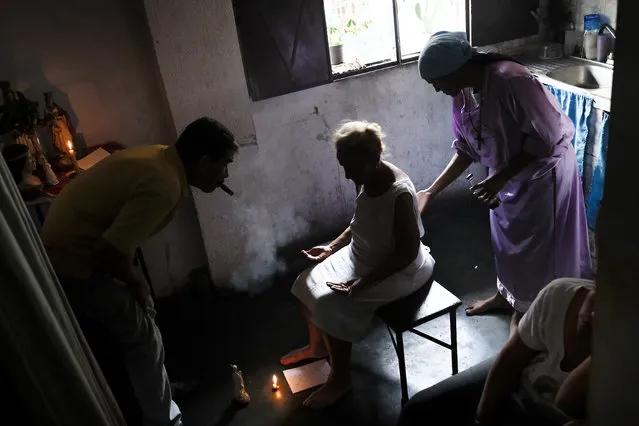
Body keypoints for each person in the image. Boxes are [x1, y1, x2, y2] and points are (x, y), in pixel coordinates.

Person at [40, 117, 238, 426]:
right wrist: (138, 283)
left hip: (69, 245)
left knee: (140, 325)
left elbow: (117, 243)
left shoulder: (160, 157)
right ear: (202, 162)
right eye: (224, 164)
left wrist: (134, 280)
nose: (226, 174)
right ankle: (163, 418)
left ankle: (156, 392)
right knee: (145, 337)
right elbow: (109, 252)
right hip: (72, 258)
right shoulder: (165, 185)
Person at [415, 31, 592, 327]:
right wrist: (431, 192)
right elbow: (466, 149)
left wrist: (500, 178)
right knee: (506, 243)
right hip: (503, 178)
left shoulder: (511, 81)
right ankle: (507, 296)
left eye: (437, 82)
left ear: (456, 70)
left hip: (543, 177)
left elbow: (545, 141)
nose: (436, 89)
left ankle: (534, 312)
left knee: (538, 249)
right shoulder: (463, 93)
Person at [280, 121, 436, 408]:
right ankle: (317, 348)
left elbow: (406, 253)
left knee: (331, 304)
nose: (346, 174)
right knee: (305, 282)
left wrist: (362, 282)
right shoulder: (366, 176)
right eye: (343, 166)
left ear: (374, 160)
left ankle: (340, 380)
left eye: (351, 167)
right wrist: (331, 246)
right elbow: (358, 223)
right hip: (362, 254)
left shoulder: (399, 193)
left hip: (402, 269)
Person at [397, 277, 595, 426]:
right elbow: (510, 359)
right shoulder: (560, 294)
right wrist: (482, 419)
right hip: (516, 395)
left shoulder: (623, 359)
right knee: (417, 411)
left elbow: (567, 402)